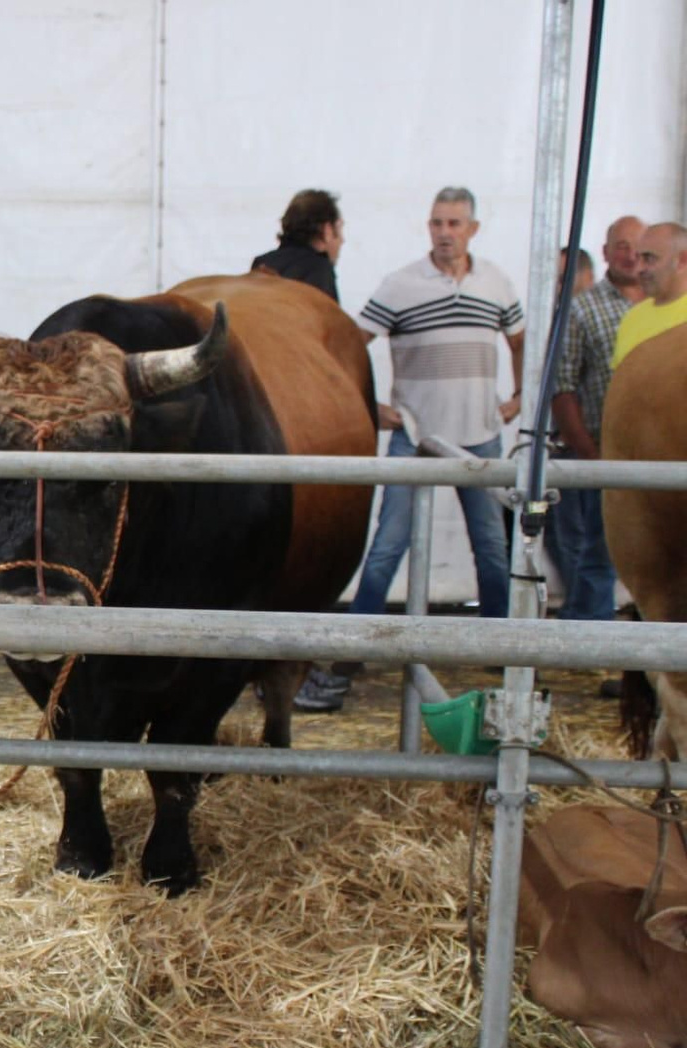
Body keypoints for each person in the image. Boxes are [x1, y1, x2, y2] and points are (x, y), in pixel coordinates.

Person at [300, 187, 524, 712]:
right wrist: (371, 408)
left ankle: (498, 643)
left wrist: (518, 396)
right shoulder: (400, 286)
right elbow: (349, 345)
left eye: (454, 223)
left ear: (473, 229)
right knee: (387, 545)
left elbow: (519, 338)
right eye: (436, 223)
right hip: (416, 437)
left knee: (492, 546)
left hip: (479, 435)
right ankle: (355, 649)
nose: (444, 232)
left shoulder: (496, 282)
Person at [547, 216, 643, 639]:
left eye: (641, 249)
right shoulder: (582, 308)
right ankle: (591, 636)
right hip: (604, 450)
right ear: (605, 253)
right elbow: (563, 385)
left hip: (658, 453)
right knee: (595, 547)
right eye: (621, 245)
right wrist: (589, 453)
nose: (631, 255)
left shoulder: (668, 309)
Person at [611, 222, 687, 369]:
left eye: (649, 258)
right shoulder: (632, 318)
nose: (638, 268)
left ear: (682, 261)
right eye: (638, 258)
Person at [250, 189, 344, 302]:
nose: (342, 240)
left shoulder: (261, 263)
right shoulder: (320, 269)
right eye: (339, 228)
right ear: (327, 230)